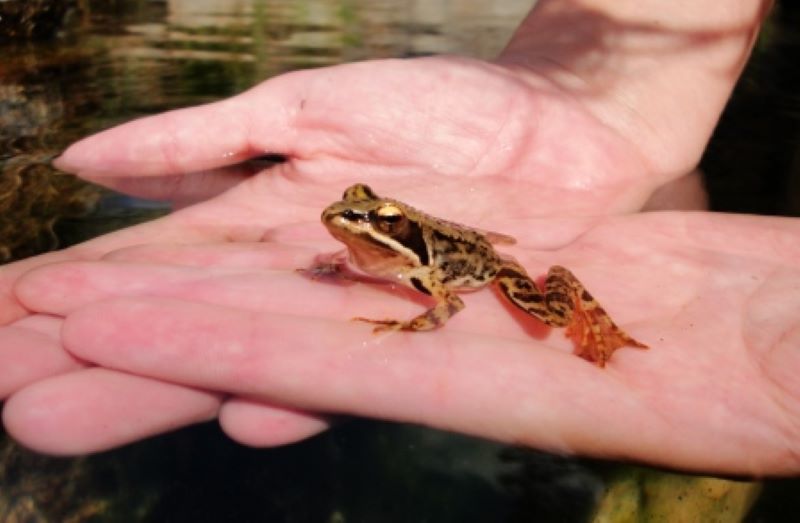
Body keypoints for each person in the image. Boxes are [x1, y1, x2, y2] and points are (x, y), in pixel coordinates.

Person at [2, 0, 795, 475]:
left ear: (395, 234)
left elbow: (446, 300)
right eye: (357, 214)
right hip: (457, 234)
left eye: (372, 221)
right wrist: (590, 86)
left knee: (546, 313)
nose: (351, 226)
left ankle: (597, 317)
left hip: (479, 263)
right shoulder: (359, 242)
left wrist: (405, 318)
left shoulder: (427, 270)